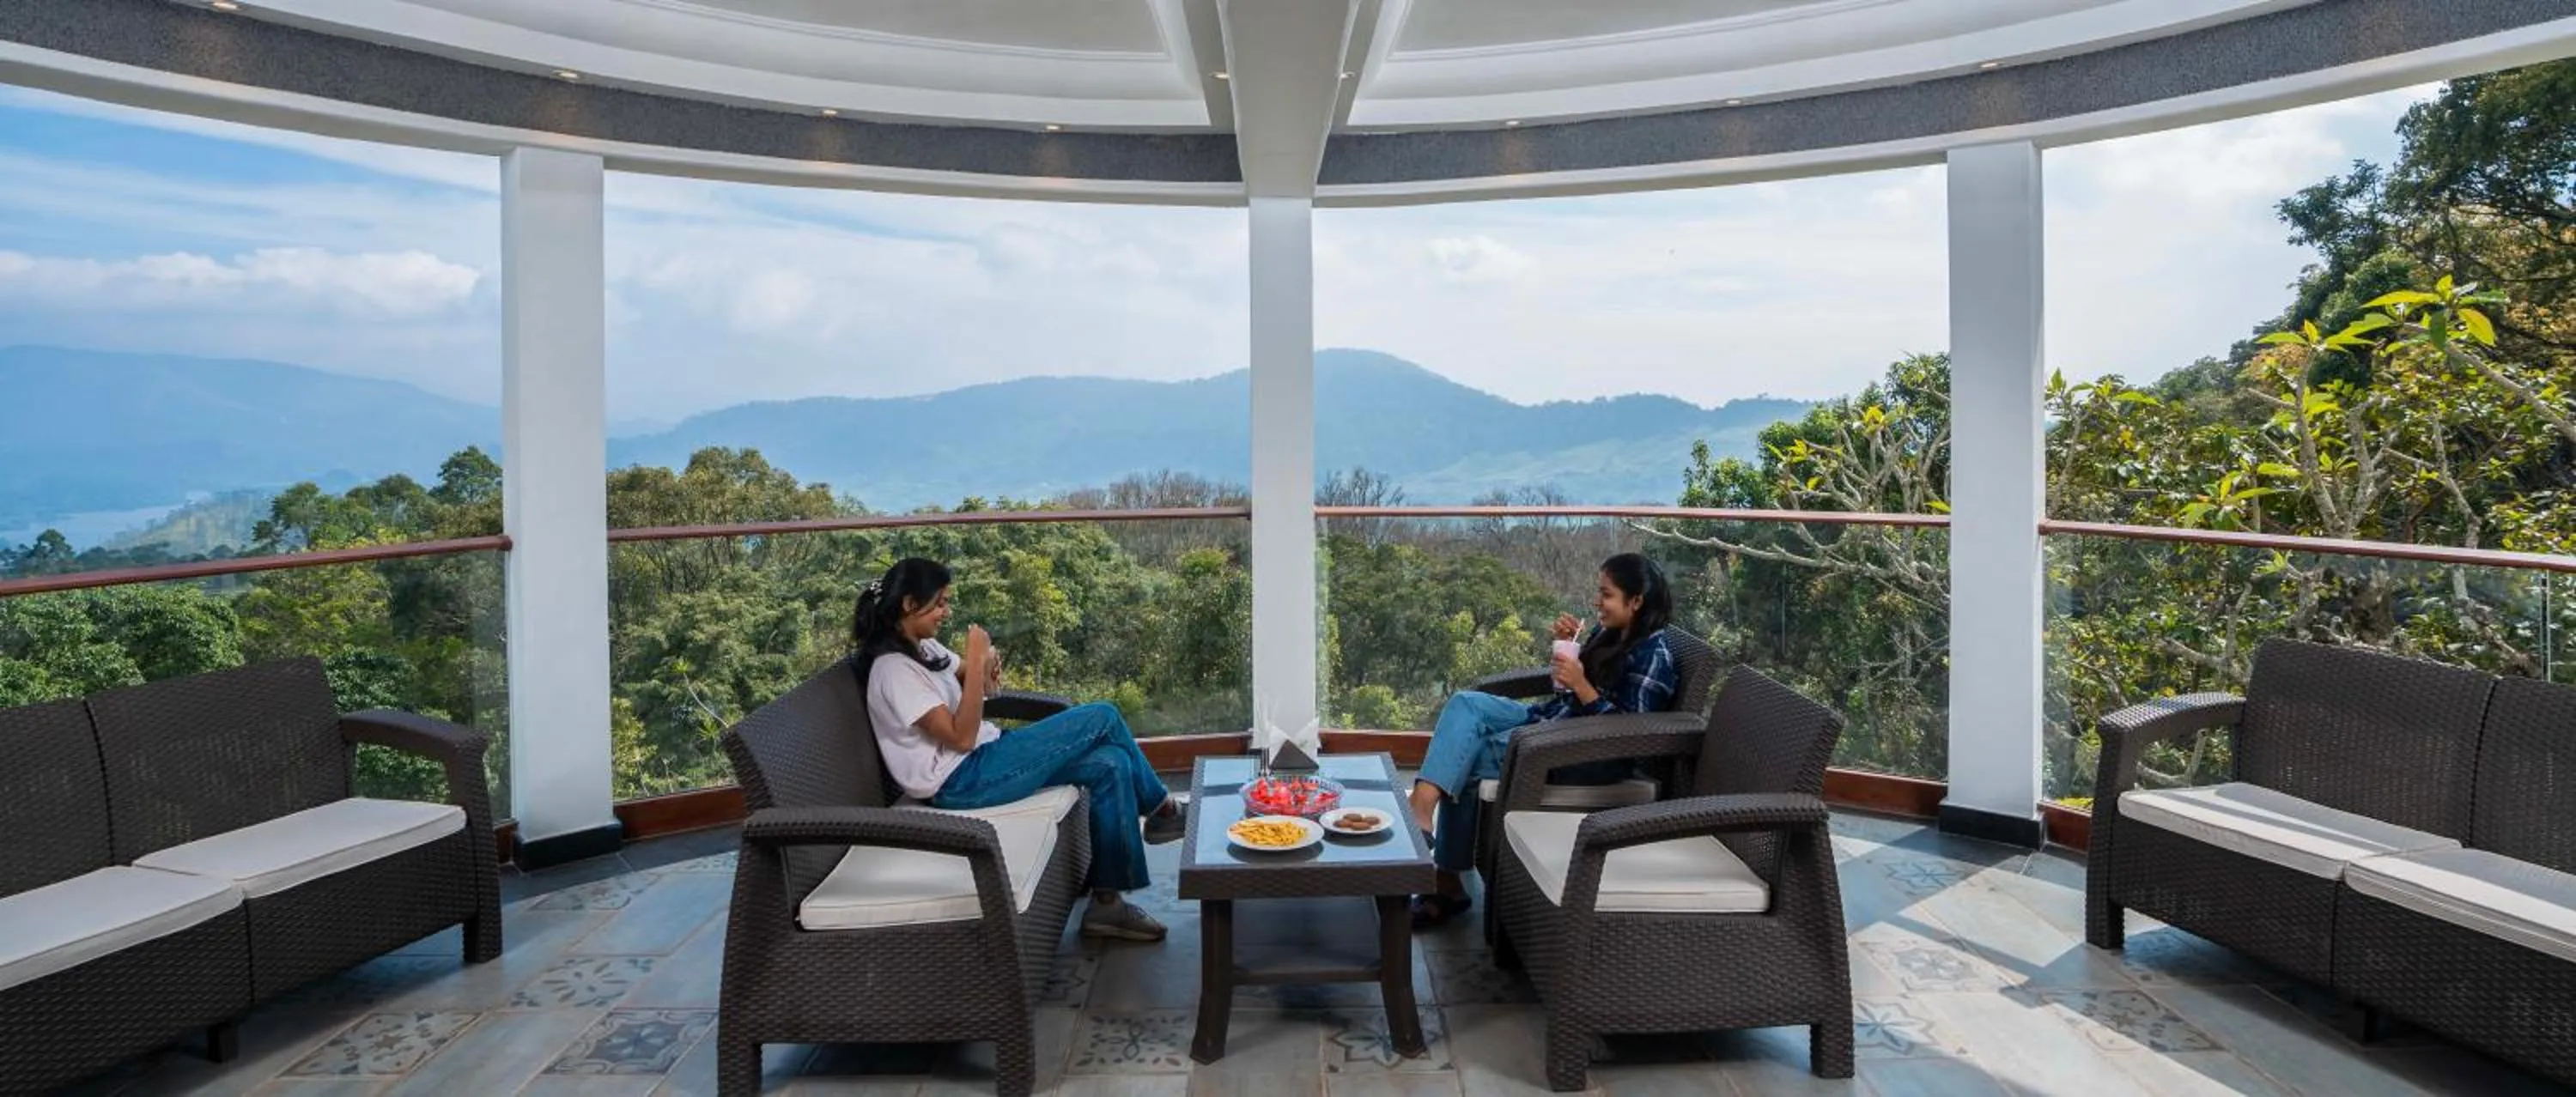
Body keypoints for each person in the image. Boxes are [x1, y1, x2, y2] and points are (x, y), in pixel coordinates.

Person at [853, 556, 1184, 942]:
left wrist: (986, 666)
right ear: (910, 604)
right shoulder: (894, 671)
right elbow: (959, 736)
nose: (947, 611)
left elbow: (968, 678)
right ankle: (1163, 810)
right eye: (940, 602)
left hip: (984, 755)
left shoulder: (922, 648)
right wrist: (977, 663)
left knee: (1110, 763)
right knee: (1103, 717)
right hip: (961, 781)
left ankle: (1107, 906)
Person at [1403, 553, 1680, 927]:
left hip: (1582, 754)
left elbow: (1629, 736)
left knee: (1469, 754)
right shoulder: (1612, 633)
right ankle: (1423, 808)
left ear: (1636, 601)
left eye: (1607, 595)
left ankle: (1445, 881)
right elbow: (1566, 694)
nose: (1597, 602)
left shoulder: (1654, 656)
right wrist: (1568, 649)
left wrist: (1581, 683)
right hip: (1554, 720)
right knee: (1466, 703)